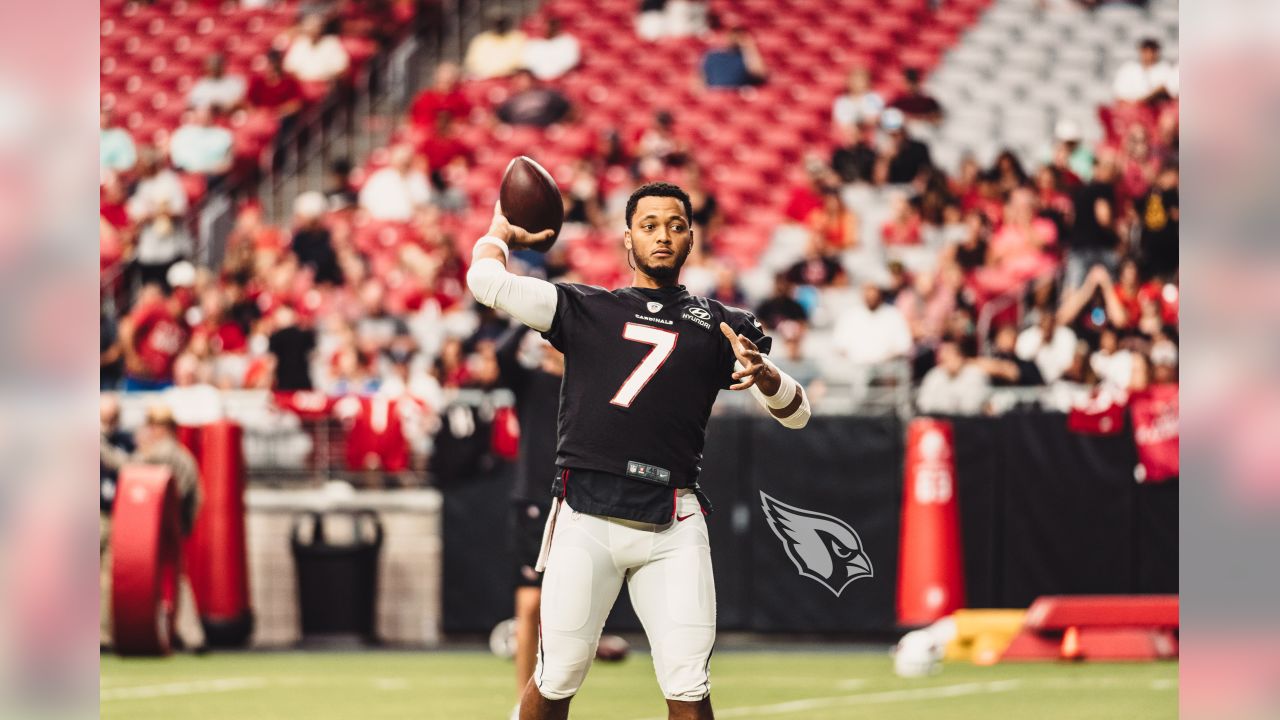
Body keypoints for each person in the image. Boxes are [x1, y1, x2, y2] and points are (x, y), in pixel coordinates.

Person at [467, 182, 810, 720]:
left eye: (674, 225)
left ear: (691, 238)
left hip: (673, 521)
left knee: (689, 689)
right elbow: (485, 281)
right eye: (649, 225)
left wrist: (767, 378)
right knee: (555, 679)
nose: (662, 235)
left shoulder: (721, 325)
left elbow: (797, 413)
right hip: (587, 514)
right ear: (627, 238)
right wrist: (500, 231)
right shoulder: (587, 307)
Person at [100, 403, 206, 652]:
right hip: (172, 527)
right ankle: (193, 637)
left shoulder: (159, 452)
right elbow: (198, 496)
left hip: (152, 528)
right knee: (177, 579)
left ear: (160, 427)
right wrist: (185, 524)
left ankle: (120, 633)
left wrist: (100, 447)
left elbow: (126, 467)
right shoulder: (184, 455)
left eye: (151, 425)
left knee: (134, 579)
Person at [126, 149, 192, 287]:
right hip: (149, 251)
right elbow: (134, 213)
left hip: (171, 248)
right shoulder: (140, 185)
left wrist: (159, 212)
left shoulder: (168, 181)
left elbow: (181, 209)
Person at [358, 144, 433, 221]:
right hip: (383, 222)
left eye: (406, 159)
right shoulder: (380, 178)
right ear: (393, 160)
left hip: (410, 222)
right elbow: (365, 201)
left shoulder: (418, 178)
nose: (403, 163)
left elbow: (424, 202)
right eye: (400, 159)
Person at [917, 340, 989, 414]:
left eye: (951, 356)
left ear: (961, 357)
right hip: (939, 420)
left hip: (968, 422)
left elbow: (971, 407)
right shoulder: (934, 374)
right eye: (944, 359)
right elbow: (924, 404)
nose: (947, 360)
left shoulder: (975, 374)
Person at [168, 104, 234, 178]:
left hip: (212, 178)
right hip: (183, 175)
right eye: (200, 114)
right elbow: (176, 159)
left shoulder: (224, 136)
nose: (203, 116)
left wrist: (203, 171)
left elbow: (227, 164)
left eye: (205, 113)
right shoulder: (183, 134)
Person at [284, 13, 351, 85]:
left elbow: (342, 67)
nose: (312, 30)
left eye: (315, 27)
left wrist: (327, 82)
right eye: (309, 28)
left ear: (322, 28)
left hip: (325, 84)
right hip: (301, 85)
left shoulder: (332, 43)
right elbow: (289, 67)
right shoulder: (300, 43)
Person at [1112, 37, 1178, 105]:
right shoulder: (1128, 69)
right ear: (1140, 51)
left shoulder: (1165, 69)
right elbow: (1119, 95)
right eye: (1145, 51)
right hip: (1130, 107)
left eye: (1152, 51)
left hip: (1156, 109)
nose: (1149, 55)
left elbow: (1170, 92)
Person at [495, 71, 573, 127]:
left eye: (525, 79)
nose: (523, 83)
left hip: (548, 130)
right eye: (519, 80)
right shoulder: (511, 101)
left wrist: (562, 125)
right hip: (521, 133)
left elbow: (570, 110)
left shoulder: (548, 94)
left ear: (533, 79)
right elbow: (495, 120)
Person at [464, 13, 527, 79]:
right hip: (484, 78)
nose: (500, 26)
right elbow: (472, 63)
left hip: (510, 78)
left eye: (503, 23)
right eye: (498, 24)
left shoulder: (518, 37)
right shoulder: (481, 39)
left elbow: (521, 63)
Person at [878, 108, 932, 185]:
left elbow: (925, 172)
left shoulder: (920, 148)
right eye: (893, 135)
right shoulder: (883, 151)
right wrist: (886, 159)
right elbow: (880, 180)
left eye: (899, 133)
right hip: (889, 191)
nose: (897, 138)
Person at [700, 28, 766, 88]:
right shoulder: (713, 56)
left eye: (740, 37)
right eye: (733, 36)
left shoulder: (747, 57)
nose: (735, 39)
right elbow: (700, 80)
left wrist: (749, 48)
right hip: (716, 95)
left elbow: (759, 74)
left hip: (740, 96)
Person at [831, 66, 885, 131]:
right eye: (856, 80)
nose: (859, 84)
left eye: (862, 80)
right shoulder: (841, 102)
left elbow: (875, 119)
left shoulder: (874, 98)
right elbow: (843, 124)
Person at [100, 107, 137, 174]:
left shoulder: (121, 136)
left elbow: (129, 161)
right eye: (102, 114)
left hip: (113, 176)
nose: (104, 118)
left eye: (107, 115)